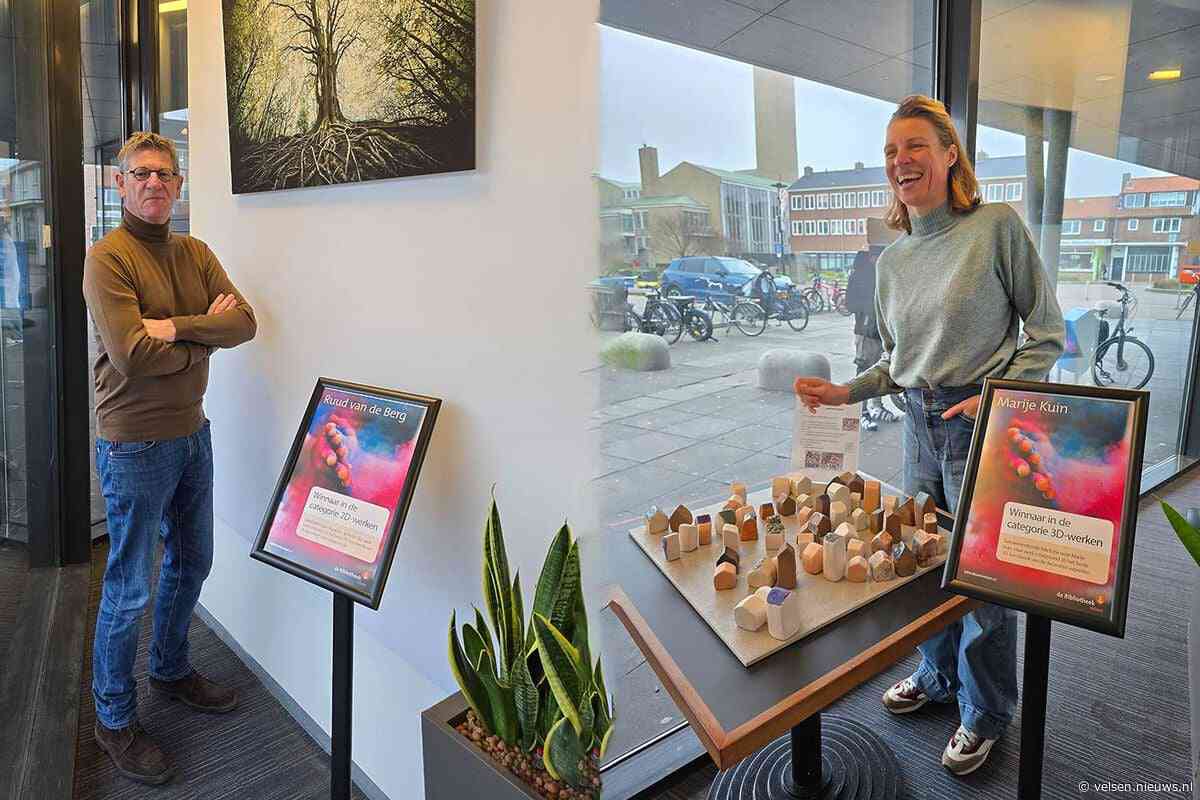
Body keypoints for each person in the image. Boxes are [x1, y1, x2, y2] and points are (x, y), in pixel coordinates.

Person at [794, 95, 1064, 776]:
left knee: (980, 581)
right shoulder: (891, 264)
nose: (900, 161)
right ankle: (938, 677)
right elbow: (895, 365)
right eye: (890, 151)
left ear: (949, 155)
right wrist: (843, 393)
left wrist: (991, 398)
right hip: (917, 423)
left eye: (915, 145)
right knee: (921, 564)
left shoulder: (995, 228)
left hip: (976, 424)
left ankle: (986, 711)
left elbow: (1048, 333)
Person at [83, 131, 257, 785]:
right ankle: (114, 719)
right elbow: (131, 354)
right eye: (141, 173)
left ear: (179, 187)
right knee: (129, 589)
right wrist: (205, 335)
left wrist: (179, 327)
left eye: (166, 173)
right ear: (122, 185)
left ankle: (170, 668)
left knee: (193, 561)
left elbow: (246, 323)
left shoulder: (197, 251)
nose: (154, 182)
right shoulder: (109, 259)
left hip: (193, 434)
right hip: (135, 442)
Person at [845, 249, 893, 430]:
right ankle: (861, 412)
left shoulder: (883, 272)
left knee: (880, 369)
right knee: (864, 369)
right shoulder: (860, 275)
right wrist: (868, 310)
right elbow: (850, 304)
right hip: (866, 332)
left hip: (882, 332)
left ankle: (876, 407)